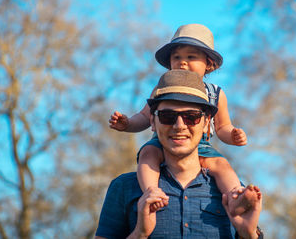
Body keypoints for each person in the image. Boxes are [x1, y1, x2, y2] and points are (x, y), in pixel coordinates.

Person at [96, 70, 263, 238]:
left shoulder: (233, 193)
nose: (179, 125)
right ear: (152, 122)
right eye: (167, 116)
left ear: (206, 124)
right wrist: (140, 233)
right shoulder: (124, 187)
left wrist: (248, 235)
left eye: (191, 117)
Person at [109, 24, 248, 215]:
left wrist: (233, 136)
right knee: (148, 153)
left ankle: (235, 197)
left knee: (221, 165)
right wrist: (127, 124)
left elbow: (222, 126)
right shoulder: (163, 88)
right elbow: (144, 116)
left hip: (201, 144)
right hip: (164, 140)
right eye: (177, 57)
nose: (183, 62)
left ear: (208, 63)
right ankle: (151, 190)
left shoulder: (215, 93)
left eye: (191, 57)